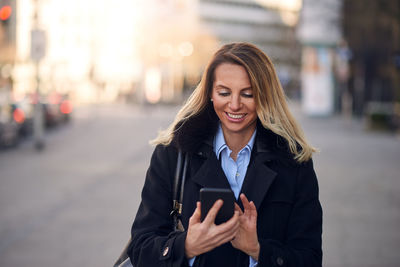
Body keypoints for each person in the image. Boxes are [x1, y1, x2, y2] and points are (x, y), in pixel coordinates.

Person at [128, 42, 322, 267]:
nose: (235, 104)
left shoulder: (294, 162)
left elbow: (310, 259)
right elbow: (140, 248)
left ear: (265, 96)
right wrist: (188, 246)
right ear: (210, 92)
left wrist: (258, 250)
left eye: (248, 94)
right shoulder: (173, 154)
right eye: (224, 92)